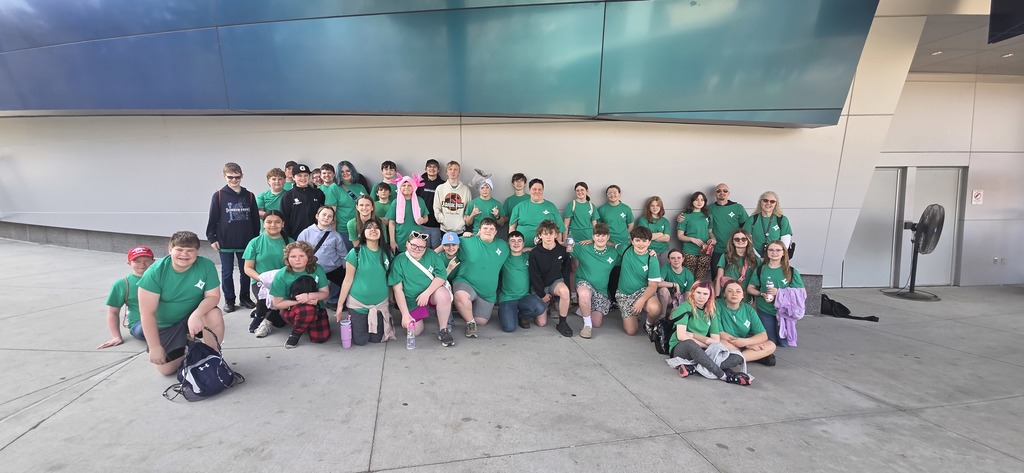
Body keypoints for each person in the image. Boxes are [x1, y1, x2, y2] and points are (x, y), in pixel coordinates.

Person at [137, 231, 225, 376]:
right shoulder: (154, 272)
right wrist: (154, 347)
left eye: (190, 250)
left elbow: (213, 296)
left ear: (197, 252)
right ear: (170, 249)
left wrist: (197, 314)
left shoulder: (206, 265)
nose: (184, 254)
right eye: (179, 249)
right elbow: (147, 313)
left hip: (193, 316)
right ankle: (188, 345)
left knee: (214, 314)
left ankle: (212, 357)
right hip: (167, 324)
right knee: (166, 370)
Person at [668, 281, 751, 386]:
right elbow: (681, 335)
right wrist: (707, 344)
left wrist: (695, 336)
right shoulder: (685, 306)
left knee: (738, 356)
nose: (701, 297)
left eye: (705, 294)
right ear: (693, 293)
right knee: (691, 344)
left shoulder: (711, 311)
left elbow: (715, 340)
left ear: (710, 296)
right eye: (698, 293)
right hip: (681, 347)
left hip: (701, 349)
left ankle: (694, 367)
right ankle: (724, 375)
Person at [206, 162, 260, 313]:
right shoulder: (219, 196)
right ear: (224, 176)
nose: (234, 180)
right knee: (227, 272)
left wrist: (255, 240)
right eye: (230, 177)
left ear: (242, 176)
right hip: (225, 241)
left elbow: (255, 220)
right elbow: (213, 219)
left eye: (237, 177)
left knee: (246, 271)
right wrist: (212, 238)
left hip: (246, 241)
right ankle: (229, 300)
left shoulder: (249, 196)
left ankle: (245, 297)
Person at [387, 230, 456, 347]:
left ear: (425, 247)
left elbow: (441, 276)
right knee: (415, 332)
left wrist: (427, 293)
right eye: (414, 245)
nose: (417, 249)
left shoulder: (431, 255)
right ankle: (417, 314)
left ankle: (443, 330)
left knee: (444, 295)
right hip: (413, 300)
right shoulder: (399, 260)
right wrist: (405, 315)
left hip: (431, 293)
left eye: (421, 247)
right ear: (407, 244)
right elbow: (397, 290)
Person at [336, 218, 394, 346]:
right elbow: (347, 280)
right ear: (363, 233)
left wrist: (391, 298)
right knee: (360, 341)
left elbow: (390, 278)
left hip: (380, 305)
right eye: (369, 227)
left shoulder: (387, 252)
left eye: (376, 227)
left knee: (376, 340)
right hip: (358, 305)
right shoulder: (355, 252)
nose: (373, 230)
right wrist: (340, 305)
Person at [452, 218, 509, 337]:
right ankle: (470, 323)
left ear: (496, 231)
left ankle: (464, 308)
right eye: (485, 228)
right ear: (479, 230)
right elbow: (448, 244)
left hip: (487, 292)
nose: (488, 231)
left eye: (491, 229)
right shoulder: (466, 241)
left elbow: (517, 250)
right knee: (461, 295)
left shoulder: (503, 246)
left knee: (481, 321)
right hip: (466, 282)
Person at [270, 241, 331, 349]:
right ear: (287, 258)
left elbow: (325, 293)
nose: (297, 259)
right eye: (293, 256)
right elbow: (277, 303)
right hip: (291, 308)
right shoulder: (281, 275)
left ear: (309, 257)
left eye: (301, 256)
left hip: (316, 306)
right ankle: (295, 333)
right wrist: (302, 301)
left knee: (321, 338)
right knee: (307, 311)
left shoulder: (317, 269)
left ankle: (306, 323)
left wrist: (309, 296)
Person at [243, 210, 293, 337]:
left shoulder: (290, 242)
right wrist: (262, 279)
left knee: (280, 323)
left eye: (277, 222)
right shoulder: (255, 242)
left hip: (283, 282)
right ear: (263, 224)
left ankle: (267, 318)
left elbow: (295, 267)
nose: (273, 225)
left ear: (283, 224)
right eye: (269, 222)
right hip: (260, 282)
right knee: (264, 300)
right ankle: (260, 315)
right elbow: (248, 268)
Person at [747, 240, 804, 347]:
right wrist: (761, 294)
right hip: (765, 310)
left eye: (778, 250)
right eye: (771, 250)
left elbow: (802, 292)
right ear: (767, 252)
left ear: (783, 252)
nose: (774, 253)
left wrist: (779, 292)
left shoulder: (791, 271)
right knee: (770, 341)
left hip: (785, 312)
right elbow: (750, 288)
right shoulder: (760, 270)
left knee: (784, 343)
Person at [97, 246, 156, 349]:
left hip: (165, 319)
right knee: (145, 329)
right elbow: (113, 312)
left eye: (146, 260)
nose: (142, 264)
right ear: (129, 263)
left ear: (153, 261)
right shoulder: (122, 284)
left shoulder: (163, 279)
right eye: (137, 261)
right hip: (140, 323)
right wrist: (116, 337)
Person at [572, 223, 620, 339]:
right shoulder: (582, 247)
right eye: (597, 235)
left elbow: (629, 250)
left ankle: (581, 307)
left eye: (604, 235)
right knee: (584, 294)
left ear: (608, 237)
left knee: (597, 323)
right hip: (584, 282)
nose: (601, 238)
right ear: (593, 237)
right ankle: (587, 326)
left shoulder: (614, 252)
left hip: (600, 289)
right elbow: (564, 247)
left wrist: (651, 253)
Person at [297, 206, 348, 311]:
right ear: (317, 216)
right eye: (324, 215)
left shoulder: (335, 235)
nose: (326, 218)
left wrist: (346, 269)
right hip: (313, 268)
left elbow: (343, 254)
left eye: (330, 216)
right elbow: (298, 251)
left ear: (333, 219)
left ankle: (336, 301)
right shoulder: (306, 232)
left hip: (333, 267)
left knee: (343, 284)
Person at [528, 220, 573, 337]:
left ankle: (562, 323)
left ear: (556, 234)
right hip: (540, 286)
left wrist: (566, 288)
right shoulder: (534, 253)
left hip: (555, 282)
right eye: (545, 233)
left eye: (551, 233)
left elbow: (566, 271)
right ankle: (548, 305)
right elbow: (534, 275)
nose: (548, 236)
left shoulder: (562, 251)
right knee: (541, 323)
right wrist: (542, 294)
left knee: (564, 291)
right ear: (540, 235)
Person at [496, 231, 547, 333]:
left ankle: (522, 316)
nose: (516, 243)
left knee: (540, 308)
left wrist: (527, 249)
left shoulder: (529, 256)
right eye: (513, 241)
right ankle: (504, 312)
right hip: (507, 298)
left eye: (519, 241)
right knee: (509, 328)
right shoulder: (503, 257)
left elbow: (543, 250)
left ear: (523, 244)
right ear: (508, 243)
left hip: (524, 296)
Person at [718, 280, 777, 366]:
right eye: (730, 291)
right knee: (719, 342)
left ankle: (737, 359)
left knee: (771, 345)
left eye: (738, 291)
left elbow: (762, 335)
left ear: (743, 295)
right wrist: (745, 346)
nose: (734, 294)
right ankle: (751, 356)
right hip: (727, 341)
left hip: (742, 342)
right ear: (724, 294)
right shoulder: (717, 306)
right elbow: (720, 333)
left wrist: (746, 342)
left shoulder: (748, 309)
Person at [616, 226, 662, 336]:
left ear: (649, 242)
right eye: (637, 240)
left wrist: (641, 301)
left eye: (644, 241)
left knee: (655, 308)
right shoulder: (625, 249)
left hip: (643, 291)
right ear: (632, 241)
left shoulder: (652, 259)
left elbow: (652, 286)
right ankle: (634, 314)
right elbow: (611, 245)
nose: (641, 244)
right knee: (631, 331)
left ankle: (648, 324)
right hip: (625, 294)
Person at [509, 178, 564, 248]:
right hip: (522, 249)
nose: (537, 191)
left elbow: (559, 229)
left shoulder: (551, 207)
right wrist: (513, 246)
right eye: (534, 189)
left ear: (543, 191)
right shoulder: (519, 206)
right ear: (529, 190)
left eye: (539, 189)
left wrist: (557, 247)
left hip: (545, 250)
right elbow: (512, 229)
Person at [707, 183, 749, 274]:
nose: (722, 192)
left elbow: (746, 228)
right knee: (716, 277)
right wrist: (682, 217)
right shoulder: (709, 209)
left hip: (734, 249)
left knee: (734, 277)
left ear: (728, 193)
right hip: (717, 249)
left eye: (725, 191)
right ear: (715, 194)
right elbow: (695, 215)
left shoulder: (738, 208)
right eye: (719, 191)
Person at [280, 163, 326, 241]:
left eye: (306, 175)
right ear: (293, 177)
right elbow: (284, 219)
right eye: (299, 176)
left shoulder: (318, 193)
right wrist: (288, 239)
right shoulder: (288, 196)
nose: (303, 178)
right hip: (296, 237)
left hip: (317, 237)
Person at [676, 191, 715, 281]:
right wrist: (691, 239)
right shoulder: (684, 216)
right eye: (697, 199)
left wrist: (713, 239)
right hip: (689, 251)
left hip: (705, 250)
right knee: (689, 277)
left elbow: (710, 232)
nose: (699, 202)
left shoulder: (708, 215)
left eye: (702, 200)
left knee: (701, 277)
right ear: (692, 201)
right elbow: (680, 236)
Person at [331, 161, 370, 249]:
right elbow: (331, 213)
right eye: (342, 171)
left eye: (348, 170)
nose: (345, 173)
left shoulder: (360, 187)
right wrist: (333, 232)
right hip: (345, 231)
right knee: (350, 258)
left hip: (364, 228)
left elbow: (369, 205)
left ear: (352, 171)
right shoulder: (334, 188)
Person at [387, 174, 429, 252]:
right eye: (404, 185)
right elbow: (391, 222)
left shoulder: (420, 201)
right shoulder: (395, 202)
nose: (406, 187)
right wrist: (392, 241)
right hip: (400, 238)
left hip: (416, 238)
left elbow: (426, 217)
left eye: (409, 185)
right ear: (400, 188)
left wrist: (423, 220)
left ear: (413, 187)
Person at [745, 191, 793, 257]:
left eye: (772, 201)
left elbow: (785, 243)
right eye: (765, 200)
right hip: (755, 256)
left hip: (776, 256)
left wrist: (775, 255)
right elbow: (746, 241)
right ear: (760, 202)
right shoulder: (752, 219)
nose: (768, 203)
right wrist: (758, 257)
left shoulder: (782, 220)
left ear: (776, 204)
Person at [434, 160, 471, 236]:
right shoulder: (440, 188)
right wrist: (442, 220)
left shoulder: (465, 190)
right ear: (446, 172)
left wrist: (463, 221)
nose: (453, 171)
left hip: (461, 230)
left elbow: (468, 209)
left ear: (459, 172)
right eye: (450, 169)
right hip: (445, 230)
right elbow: (436, 207)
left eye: (455, 169)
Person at [656, 249, 694, 320]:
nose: (676, 260)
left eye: (679, 258)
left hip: (680, 299)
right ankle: (662, 316)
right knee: (663, 290)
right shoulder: (666, 268)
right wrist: (675, 284)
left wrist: (685, 308)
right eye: (673, 258)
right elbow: (658, 283)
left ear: (683, 259)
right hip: (668, 298)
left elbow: (687, 293)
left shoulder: (688, 274)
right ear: (669, 260)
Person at [716, 228, 758, 294]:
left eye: (744, 239)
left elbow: (758, 282)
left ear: (748, 240)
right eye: (737, 239)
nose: (740, 241)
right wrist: (717, 296)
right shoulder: (725, 256)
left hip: (747, 296)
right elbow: (719, 278)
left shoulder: (755, 259)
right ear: (732, 241)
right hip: (728, 295)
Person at [417, 159, 445, 248]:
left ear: (438, 169)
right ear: (425, 169)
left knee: (436, 250)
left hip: (437, 224)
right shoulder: (420, 184)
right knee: (423, 248)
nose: (432, 169)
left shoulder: (443, 184)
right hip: (423, 224)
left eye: (434, 167)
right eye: (429, 166)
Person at [635, 196, 671, 264]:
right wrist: (661, 234)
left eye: (657, 205)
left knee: (664, 271)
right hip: (648, 250)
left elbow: (667, 238)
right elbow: (644, 237)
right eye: (652, 206)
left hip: (664, 250)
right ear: (649, 207)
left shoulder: (665, 221)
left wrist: (651, 236)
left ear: (661, 207)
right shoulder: (643, 220)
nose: (655, 208)